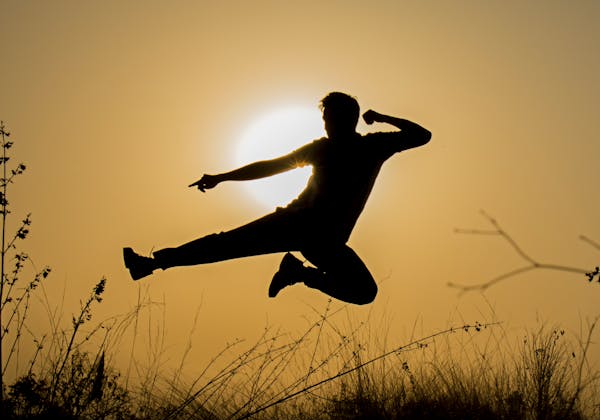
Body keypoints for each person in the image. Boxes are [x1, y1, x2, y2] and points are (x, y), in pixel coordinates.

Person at [123, 91, 431, 305]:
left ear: (342, 119)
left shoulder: (371, 146)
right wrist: (223, 177)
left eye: (328, 118)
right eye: (324, 119)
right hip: (296, 224)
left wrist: (380, 116)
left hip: (325, 242)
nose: (325, 124)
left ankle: (298, 273)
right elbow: (271, 167)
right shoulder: (328, 148)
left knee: (364, 292)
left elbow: (422, 135)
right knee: (225, 245)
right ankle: (150, 263)